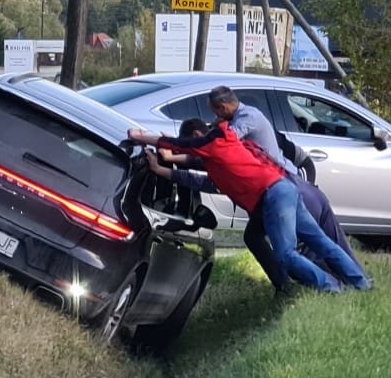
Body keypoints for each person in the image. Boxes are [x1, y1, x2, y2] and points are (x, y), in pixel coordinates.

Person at [127, 120, 369, 293]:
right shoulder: (231, 148)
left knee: (287, 254)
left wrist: (140, 137)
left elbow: (181, 146)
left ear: (199, 135)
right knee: (321, 242)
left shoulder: (216, 145)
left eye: (195, 141)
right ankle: (362, 284)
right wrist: (162, 168)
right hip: (290, 189)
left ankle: (333, 288)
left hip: (275, 197)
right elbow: (201, 178)